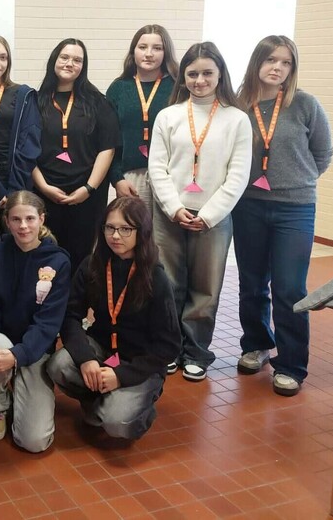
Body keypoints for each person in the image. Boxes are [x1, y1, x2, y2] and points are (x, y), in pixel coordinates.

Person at [233, 35, 333, 396]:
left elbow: (323, 153)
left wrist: (297, 181)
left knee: (290, 287)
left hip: (295, 208)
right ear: (257, 63)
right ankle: (257, 344)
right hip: (248, 205)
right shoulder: (238, 106)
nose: (277, 67)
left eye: (286, 62)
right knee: (252, 282)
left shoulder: (305, 104)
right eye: (271, 60)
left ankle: (291, 364)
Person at [149, 42, 252, 382]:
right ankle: (168, 347)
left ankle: (195, 351)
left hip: (214, 218)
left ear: (220, 74)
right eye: (192, 74)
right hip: (170, 214)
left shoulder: (236, 119)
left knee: (205, 288)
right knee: (168, 283)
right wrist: (174, 208)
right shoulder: (169, 116)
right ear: (183, 77)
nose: (200, 80)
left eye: (207, 73)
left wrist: (209, 214)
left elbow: (238, 174)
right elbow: (157, 168)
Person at [47, 197, 180, 440]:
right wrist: (86, 359)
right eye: (110, 227)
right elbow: (70, 316)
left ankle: (137, 407)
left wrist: (121, 376)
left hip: (140, 362)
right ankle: (101, 400)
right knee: (59, 365)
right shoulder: (92, 265)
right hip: (103, 350)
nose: (116, 236)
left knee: (117, 423)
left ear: (142, 232)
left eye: (125, 229)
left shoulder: (155, 277)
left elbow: (169, 345)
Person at [0, 191, 70, 453]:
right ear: (7, 221)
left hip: (35, 350)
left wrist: (18, 355)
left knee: (34, 441)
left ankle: (23, 388)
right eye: (16, 219)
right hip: (1, 340)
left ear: (41, 219)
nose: (23, 226)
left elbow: (48, 324)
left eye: (30, 218)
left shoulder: (58, 261)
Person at [32, 38, 120, 273]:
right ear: (54, 60)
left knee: (80, 259)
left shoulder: (97, 102)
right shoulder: (36, 101)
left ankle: (75, 298)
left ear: (83, 66)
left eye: (77, 60)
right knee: (44, 259)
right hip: (45, 194)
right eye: (64, 57)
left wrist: (88, 189)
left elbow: (107, 148)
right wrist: (43, 187)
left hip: (86, 197)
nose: (70, 63)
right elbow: (26, 150)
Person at [0, 34, 41, 249]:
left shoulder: (23, 95)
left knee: (15, 245)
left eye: (3, 57)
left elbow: (29, 145)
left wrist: (13, 193)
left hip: (14, 177)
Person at [105, 25, 178, 211]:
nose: (149, 54)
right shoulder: (118, 88)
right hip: (131, 176)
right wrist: (117, 179)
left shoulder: (178, 87)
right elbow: (109, 141)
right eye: (143, 47)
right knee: (135, 228)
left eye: (157, 48)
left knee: (165, 231)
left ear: (166, 52)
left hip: (171, 176)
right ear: (133, 51)